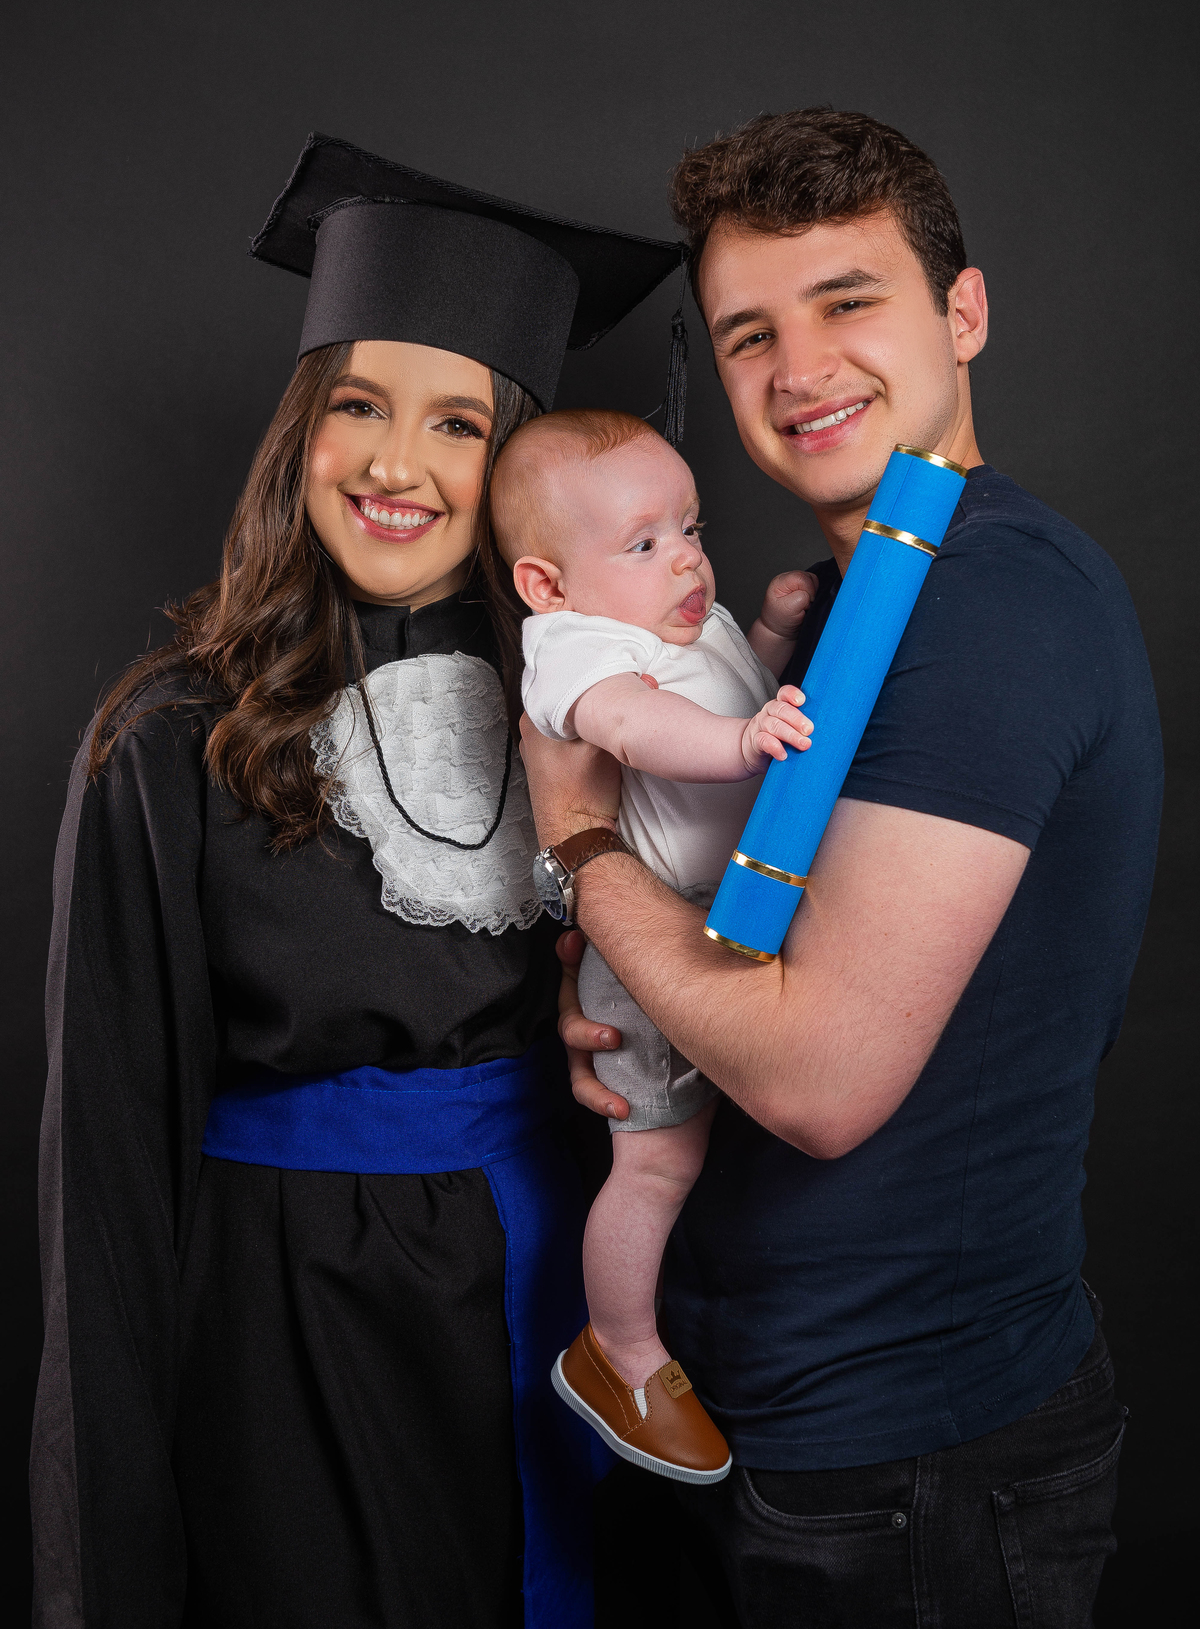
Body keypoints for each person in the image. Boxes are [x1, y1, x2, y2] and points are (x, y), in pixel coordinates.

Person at [30, 132, 685, 1629]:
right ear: (301, 432)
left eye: (457, 423)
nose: (397, 463)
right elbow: (104, 1187)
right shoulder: (170, 739)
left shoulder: (599, 722)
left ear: (514, 470)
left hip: (559, 1290)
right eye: (358, 406)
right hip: (288, 1331)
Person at [519, 109, 1162, 1627]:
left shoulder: (992, 606)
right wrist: (627, 982)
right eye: (751, 332)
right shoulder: (854, 607)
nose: (799, 368)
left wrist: (580, 843)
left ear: (964, 313)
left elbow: (816, 1079)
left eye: (848, 301)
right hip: (763, 1411)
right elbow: (757, 953)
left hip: (911, 1454)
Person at [487, 407, 815, 1484]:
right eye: (644, 541)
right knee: (657, 1162)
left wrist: (765, 634)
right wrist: (743, 742)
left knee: (742, 1143)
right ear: (547, 585)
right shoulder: (577, 647)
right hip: (652, 940)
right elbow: (637, 726)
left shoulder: (675, 616)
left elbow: (723, 685)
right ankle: (617, 1351)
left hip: (730, 920)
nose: (685, 558)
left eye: (692, 528)